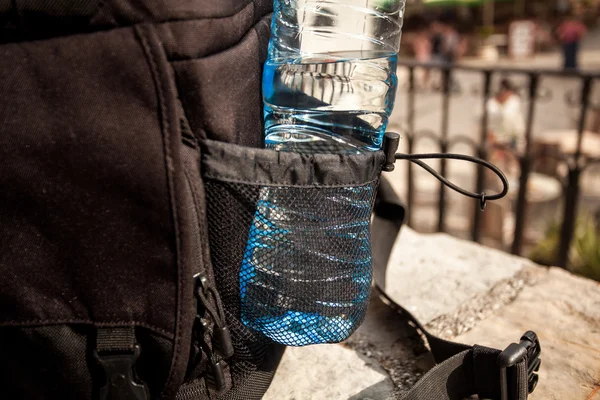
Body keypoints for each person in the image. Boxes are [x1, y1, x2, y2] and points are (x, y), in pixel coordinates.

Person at [486, 79, 526, 176]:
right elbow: (487, 129)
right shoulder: (490, 106)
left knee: (513, 171)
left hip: (512, 142)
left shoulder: (514, 102)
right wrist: (497, 146)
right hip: (495, 144)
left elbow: (518, 125)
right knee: (495, 171)